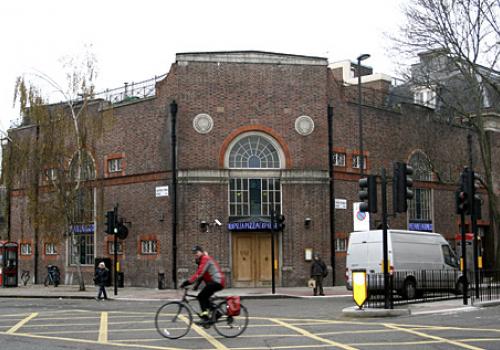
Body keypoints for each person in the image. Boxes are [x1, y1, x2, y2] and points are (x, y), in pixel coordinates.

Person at [180, 245, 225, 322]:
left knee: (201, 297)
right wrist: (195, 286)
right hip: (215, 282)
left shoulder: (205, 258)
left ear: (201, 251)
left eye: (196, 252)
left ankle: (206, 317)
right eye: (194, 253)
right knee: (204, 298)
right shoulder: (202, 259)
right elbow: (202, 276)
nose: (195, 254)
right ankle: (213, 314)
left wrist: (187, 282)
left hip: (217, 281)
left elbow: (199, 273)